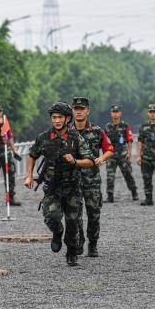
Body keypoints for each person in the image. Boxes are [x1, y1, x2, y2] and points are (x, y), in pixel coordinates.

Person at [24, 102, 96, 266]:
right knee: (51, 217)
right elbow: (32, 155)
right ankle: (57, 232)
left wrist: (75, 161)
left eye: (60, 117)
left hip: (72, 187)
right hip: (52, 187)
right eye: (54, 117)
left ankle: (71, 253)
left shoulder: (76, 138)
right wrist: (29, 176)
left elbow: (90, 161)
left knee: (72, 222)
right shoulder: (44, 137)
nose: (56, 121)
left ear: (67, 119)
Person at [70, 97, 114, 257]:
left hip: (92, 180)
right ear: (72, 111)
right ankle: (79, 240)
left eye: (82, 108)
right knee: (74, 214)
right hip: (72, 180)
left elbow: (109, 149)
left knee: (94, 213)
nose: (79, 111)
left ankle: (93, 244)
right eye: (76, 108)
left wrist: (102, 158)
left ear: (88, 111)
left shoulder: (97, 131)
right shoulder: (66, 131)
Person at [103, 104, 139, 202]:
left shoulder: (125, 126)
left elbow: (129, 140)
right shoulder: (107, 126)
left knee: (127, 174)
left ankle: (134, 192)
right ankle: (110, 196)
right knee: (110, 176)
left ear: (120, 113)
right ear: (111, 114)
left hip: (123, 154)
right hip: (111, 155)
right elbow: (104, 142)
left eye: (117, 112)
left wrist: (129, 154)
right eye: (113, 112)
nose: (115, 114)